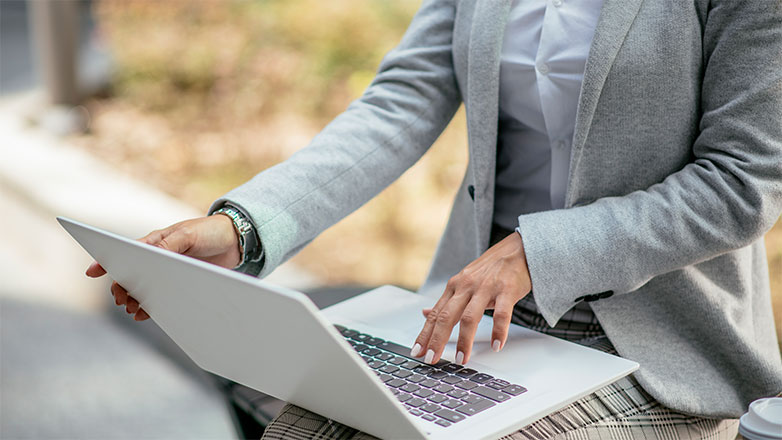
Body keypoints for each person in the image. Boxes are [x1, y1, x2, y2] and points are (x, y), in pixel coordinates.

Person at [86, 0, 782, 438]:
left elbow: (741, 181)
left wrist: (535, 253)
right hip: (470, 323)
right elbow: (401, 102)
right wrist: (245, 226)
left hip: (653, 345)